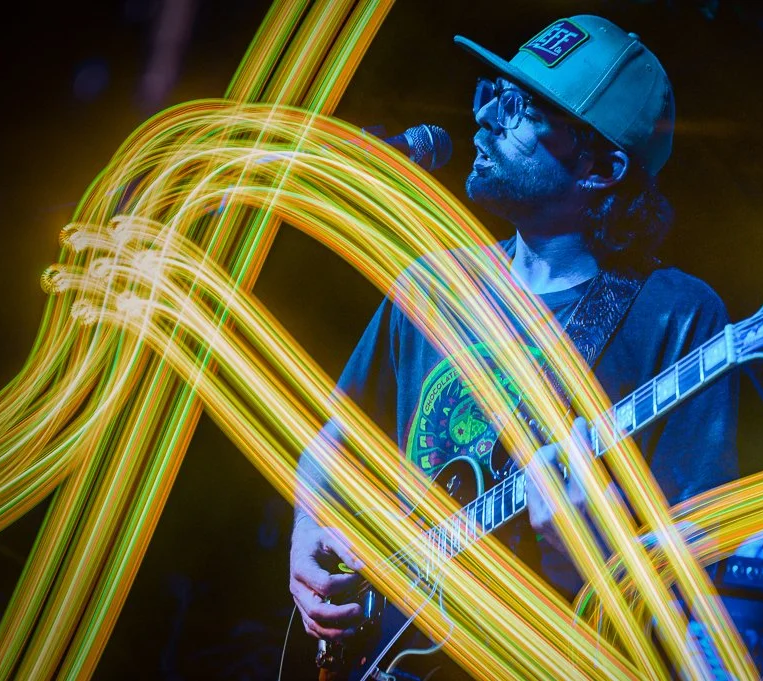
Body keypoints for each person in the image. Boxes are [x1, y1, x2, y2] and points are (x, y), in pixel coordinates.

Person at [289, 15, 739, 677]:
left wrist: (588, 562)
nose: (485, 119)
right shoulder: (434, 284)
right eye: (491, 92)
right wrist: (307, 534)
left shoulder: (677, 315)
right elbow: (335, 435)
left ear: (603, 166)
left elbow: (700, 565)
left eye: (522, 108)